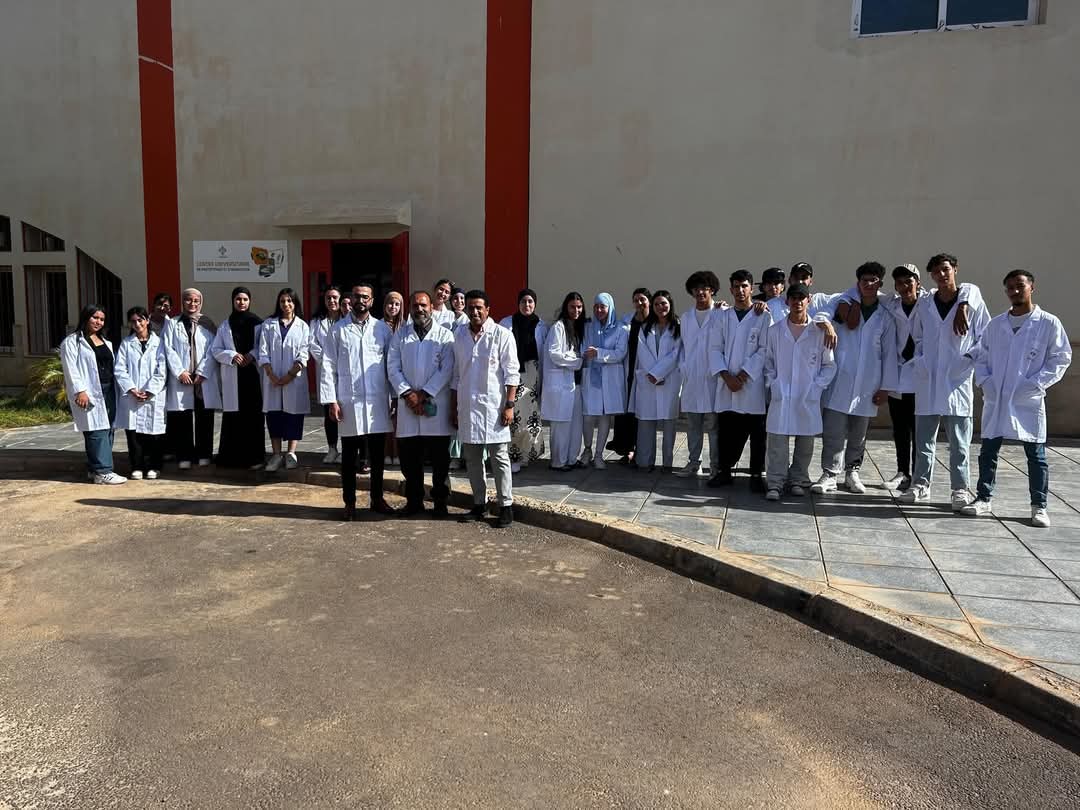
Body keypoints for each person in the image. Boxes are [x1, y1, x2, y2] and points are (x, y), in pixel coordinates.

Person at [961, 270, 1072, 527]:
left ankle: (1039, 506)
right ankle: (983, 498)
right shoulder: (996, 325)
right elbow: (981, 356)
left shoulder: (1048, 323)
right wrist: (985, 382)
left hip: (1027, 398)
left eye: (1020, 285)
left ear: (1032, 287)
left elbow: (1061, 357)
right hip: (997, 396)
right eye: (1010, 287)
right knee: (988, 450)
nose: (1015, 291)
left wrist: (1036, 384)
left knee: (1036, 455)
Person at [901, 253, 990, 510]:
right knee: (924, 440)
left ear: (955, 269)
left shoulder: (972, 300)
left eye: (945, 269)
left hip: (957, 380)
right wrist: (920, 360)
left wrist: (967, 360)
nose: (941, 275)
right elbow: (917, 335)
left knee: (959, 443)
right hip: (928, 378)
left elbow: (985, 338)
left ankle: (959, 489)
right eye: (936, 272)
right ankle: (920, 484)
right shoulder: (926, 303)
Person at [812, 262, 899, 494]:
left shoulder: (885, 316)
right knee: (833, 431)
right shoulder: (843, 303)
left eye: (873, 280)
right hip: (840, 379)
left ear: (880, 283)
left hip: (868, 384)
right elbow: (820, 314)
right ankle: (830, 474)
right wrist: (828, 326)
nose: (868, 284)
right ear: (858, 283)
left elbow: (889, 354)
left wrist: (886, 387)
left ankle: (852, 472)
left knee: (858, 435)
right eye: (864, 280)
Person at [320, 282, 395, 519]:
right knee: (349, 456)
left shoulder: (382, 330)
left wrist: (394, 397)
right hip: (348, 401)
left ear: (372, 301)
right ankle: (349, 502)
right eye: (356, 296)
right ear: (350, 299)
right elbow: (328, 366)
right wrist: (331, 400)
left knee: (377, 456)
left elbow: (391, 366)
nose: (360, 300)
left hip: (377, 401)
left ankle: (377, 498)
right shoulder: (338, 330)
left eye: (365, 297)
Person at [451, 289, 520, 528]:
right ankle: (479, 504)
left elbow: (512, 374)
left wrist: (509, 405)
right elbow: (456, 375)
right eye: (470, 307)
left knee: (499, 458)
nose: (474, 311)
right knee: (472, 459)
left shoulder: (502, 335)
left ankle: (506, 505)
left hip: (495, 407)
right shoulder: (459, 335)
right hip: (468, 407)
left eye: (479, 307)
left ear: (488, 309)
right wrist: (454, 407)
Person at [763, 284, 837, 500]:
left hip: (808, 394)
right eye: (793, 298)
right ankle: (775, 482)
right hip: (782, 393)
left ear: (808, 300)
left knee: (805, 441)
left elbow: (829, 365)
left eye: (801, 298)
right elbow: (768, 362)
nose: (797, 302)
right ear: (787, 301)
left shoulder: (819, 331)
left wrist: (816, 387)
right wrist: (774, 383)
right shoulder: (775, 331)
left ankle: (798, 479)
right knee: (777, 441)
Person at [388, 291, 456, 516]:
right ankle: (414, 501)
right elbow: (392, 367)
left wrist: (424, 394)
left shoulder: (445, 336)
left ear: (431, 307)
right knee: (409, 460)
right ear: (410, 308)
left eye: (424, 305)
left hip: (435, 405)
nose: (420, 309)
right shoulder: (400, 335)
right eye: (416, 305)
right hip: (408, 406)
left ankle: (440, 503)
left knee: (440, 461)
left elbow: (447, 369)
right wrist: (408, 394)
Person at [708, 270, 772, 491]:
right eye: (736, 286)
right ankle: (724, 471)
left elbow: (764, 350)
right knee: (726, 430)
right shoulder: (722, 316)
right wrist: (727, 377)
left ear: (751, 288)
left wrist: (743, 376)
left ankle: (756, 474)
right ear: (731, 289)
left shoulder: (763, 316)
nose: (740, 290)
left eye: (744, 286)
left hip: (751, 384)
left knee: (757, 432)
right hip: (727, 383)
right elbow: (714, 348)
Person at [60, 304, 126, 484]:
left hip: (108, 389)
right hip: (89, 390)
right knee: (96, 430)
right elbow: (70, 369)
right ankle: (103, 471)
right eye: (95, 317)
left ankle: (94, 468)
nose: (98, 322)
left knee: (108, 427)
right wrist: (80, 391)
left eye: (102, 319)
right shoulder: (72, 342)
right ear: (86, 317)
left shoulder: (106, 341)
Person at [163, 288, 221, 469]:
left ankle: (204, 454)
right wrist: (180, 371)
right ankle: (184, 455)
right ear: (183, 302)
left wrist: (202, 372)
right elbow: (167, 348)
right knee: (182, 418)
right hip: (182, 378)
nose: (192, 303)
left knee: (205, 417)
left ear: (201, 302)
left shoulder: (207, 323)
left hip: (203, 379)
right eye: (188, 300)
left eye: (196, 300)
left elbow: (213, 349)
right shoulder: (172, 323)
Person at [212, 287, 265, 469]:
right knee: (233, 417)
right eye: (238, 299)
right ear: (233, 301)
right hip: (233, 375)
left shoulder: (258, 323)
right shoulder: (225, 325)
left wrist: (252, 354)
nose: (241, 302)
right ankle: (231, 458)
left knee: (253, 417)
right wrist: (232, 355)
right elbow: (216, 349)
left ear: (249, 301)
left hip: (252, 376)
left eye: (244, 299)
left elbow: (264, 347)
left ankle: (255, 458)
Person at [259, 288, 311, 472]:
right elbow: (263, 351)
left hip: (293, 379)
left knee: (293, 416)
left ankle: (291, 453)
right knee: (274, 416)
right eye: (282, 301)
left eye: (289, 301)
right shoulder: (268, 324)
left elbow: (303, 354)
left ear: (295, 303)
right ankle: (276, 454)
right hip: (272, 379)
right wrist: (271, 374)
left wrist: (290, 375)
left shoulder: (303, 326)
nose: (286, 304)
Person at [676, 270, 722, 477]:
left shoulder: (721, 314)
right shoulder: (686, 318)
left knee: (713, 426)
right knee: (693, 425)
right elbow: (683, 347)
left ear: (712, 290)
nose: (700, 292)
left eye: (705, 288)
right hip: (692, 379)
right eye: (696, 289)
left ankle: (715, 465)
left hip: (713, 379)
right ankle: (694, 463)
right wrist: (684, 367)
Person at [631, 290, 682, 472]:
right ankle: (645, 461)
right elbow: (642, 352)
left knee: (669, 424)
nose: (661, 307)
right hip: (648, 379)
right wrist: (653, 374)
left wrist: (659, 374)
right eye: (657, 304)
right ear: (652, 307)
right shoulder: (645, 327)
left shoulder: (677, 326)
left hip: (669, 379)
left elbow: (676, 353)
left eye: (664, 303)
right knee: (646, 422)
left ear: (670, 304)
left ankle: (667, 463)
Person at [114, 306, 168, 479]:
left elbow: (162, 370)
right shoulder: (126, 343)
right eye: (133, 321)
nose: (137, 324)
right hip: (133, 395)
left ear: (147, 320)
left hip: (154, 395)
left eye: (140, 320)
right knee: (133, 434)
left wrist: (150, 390)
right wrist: (132, 389)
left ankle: (154, 466)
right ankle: (136, 466)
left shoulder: (159, 343)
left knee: (154, 433)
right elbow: (120, 369)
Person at [499, 288, 549, 472]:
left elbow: (544, 355)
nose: (526, 305)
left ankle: (526, 454)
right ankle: (512, 456)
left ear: (535, 304)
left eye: (530, 301)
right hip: (512, 374)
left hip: (532, 377)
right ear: (518, 303)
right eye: (523, 301)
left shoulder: (541, 326)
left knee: (530, 418)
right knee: (513, 416)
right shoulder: (506, 323)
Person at [581, 292, 629, 469]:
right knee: (588, 416)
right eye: (596, 306)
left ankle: (599, 454)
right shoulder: (588, 327)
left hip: (610, 379)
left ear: (610, 308)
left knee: (604, 417)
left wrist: (598, 353)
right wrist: (591, 354)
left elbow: (620, 353)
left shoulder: (620, 329)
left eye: (603, 306)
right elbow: (583, 348)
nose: (599, 310)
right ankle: (587, 450)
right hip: (592, 377)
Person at [543, 292, 586, 471]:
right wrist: (577, 360)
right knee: (561, 424)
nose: (576, 310)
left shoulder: (579, 328)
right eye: (572, 307)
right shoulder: (558, 327)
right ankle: (558, 461)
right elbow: (554, 354)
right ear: (565, 307)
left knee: (576, 424)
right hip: (561, 384)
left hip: (576, 384)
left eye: (579, 307)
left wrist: (576, 358)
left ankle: (571, 458)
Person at [607, 288, 650, 465]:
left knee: (641, 414)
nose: (639, 303)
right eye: (636, 300)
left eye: (642, 299)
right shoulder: (627, 321)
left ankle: (641, 450)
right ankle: (627, 449)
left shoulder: (654, 322)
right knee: (626, 414)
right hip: (628, 371)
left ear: (649, 301)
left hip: (646, 372)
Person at [309, 286, 344, 464]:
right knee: (329, 412)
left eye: (335, 297)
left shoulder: (347, 319)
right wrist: (327, 358)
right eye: (328, 298)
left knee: (345, 410)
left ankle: (346, 449)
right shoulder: (317, 321)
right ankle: (332, 448)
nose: (332, 301)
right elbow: (311, 343)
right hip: (325, 370)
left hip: (344, 370)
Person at [382, 291, 406, 466]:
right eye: (390, 303)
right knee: (383, 418)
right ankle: (385, 452)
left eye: (397, 304)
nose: (393, 307)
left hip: (399, 377)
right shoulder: (377, 326)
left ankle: (397, 452)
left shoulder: (405, 327)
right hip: (381, 377)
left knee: (398, 418)